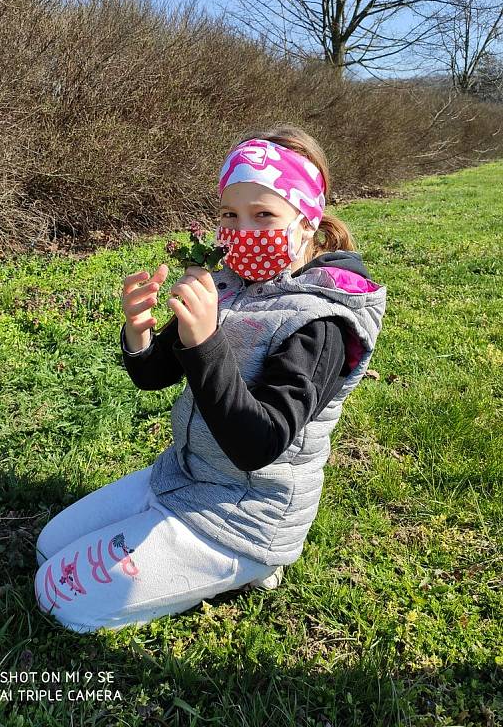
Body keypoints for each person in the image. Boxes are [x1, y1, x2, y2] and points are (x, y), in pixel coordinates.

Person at [34, 123, 387, 633]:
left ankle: (253, 569)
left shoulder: (323, 321)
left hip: (243, 518)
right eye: (230, 213)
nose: (242, 229)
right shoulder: (227, 282)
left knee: (57, 597)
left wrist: (205, 343)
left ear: (307, 221)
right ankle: (163, 534)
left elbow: (258, 444)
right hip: (181, 476)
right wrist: (139, 331)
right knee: (50, 543)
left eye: (264, 213)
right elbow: (154, 375)